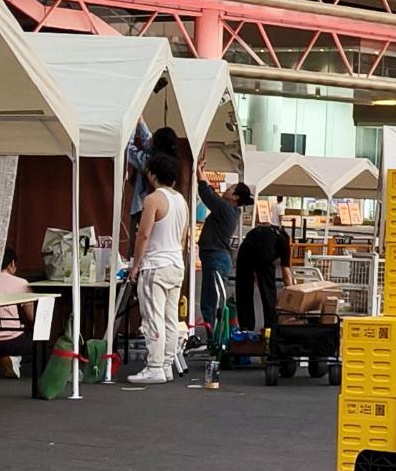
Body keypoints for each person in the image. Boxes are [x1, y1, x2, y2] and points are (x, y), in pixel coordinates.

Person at [125, 153, 188, 384]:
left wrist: (135, 264)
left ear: (151, 173)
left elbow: (143, 234)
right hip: (175, 264)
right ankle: (166, 364)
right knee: (170, 318)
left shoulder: (153, 200)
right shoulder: (182, 201)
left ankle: (154, 366)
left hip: (155, 265)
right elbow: (183, 238)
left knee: (152, 317)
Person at [196, 174, 247, 338]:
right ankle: (216, 336)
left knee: (211, 299)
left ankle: (216, 338)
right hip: (217, 256)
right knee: (212, 297)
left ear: (235, 197)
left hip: (215, 256)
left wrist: (200, 175)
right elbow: (212, 195)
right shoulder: (230, 210)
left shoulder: (226, 209)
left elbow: (208, 196)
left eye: (231, 188)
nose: (228, 188)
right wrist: (201, 174)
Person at [233, 206, 292, 336]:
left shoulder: (263, 230)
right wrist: (293, 293)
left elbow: (249, 254)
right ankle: (270, 327)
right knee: (268, 291)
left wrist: (246, 274)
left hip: (245, 250)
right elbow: (286, 271)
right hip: (264, 254)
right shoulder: (284, 241)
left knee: (243, 290)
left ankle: (246, 328)